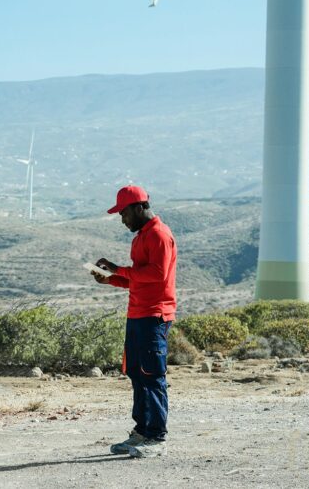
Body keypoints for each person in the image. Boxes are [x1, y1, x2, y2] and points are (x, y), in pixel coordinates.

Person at [91, 185, 177, 459]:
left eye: (124, 212)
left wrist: (118, 269)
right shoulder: (140, 237)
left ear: (139, 207)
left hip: (154, 315)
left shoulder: (159, 235)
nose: (122, 218)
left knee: (152, 376)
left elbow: (157, 274)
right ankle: (141, 432)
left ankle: (156, 437)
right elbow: (137, 278)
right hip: (137, 314)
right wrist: (111, 279)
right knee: (138, 375)